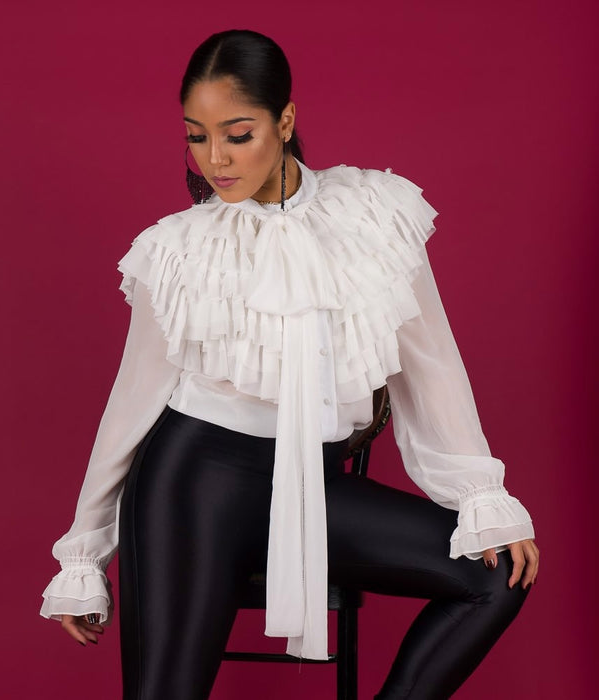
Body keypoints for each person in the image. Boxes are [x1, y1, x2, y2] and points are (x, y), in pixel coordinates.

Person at [40, 29, 539, 700]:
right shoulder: (179, 250)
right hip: (196, 485)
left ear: (285, 120)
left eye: (237, 134)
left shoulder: (375, 215)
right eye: (196, 136)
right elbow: (130, 405)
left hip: (316, 490)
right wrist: (85, 554)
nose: (215, 158)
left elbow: (431, 366)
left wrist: (481, 496)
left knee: (493, 580)